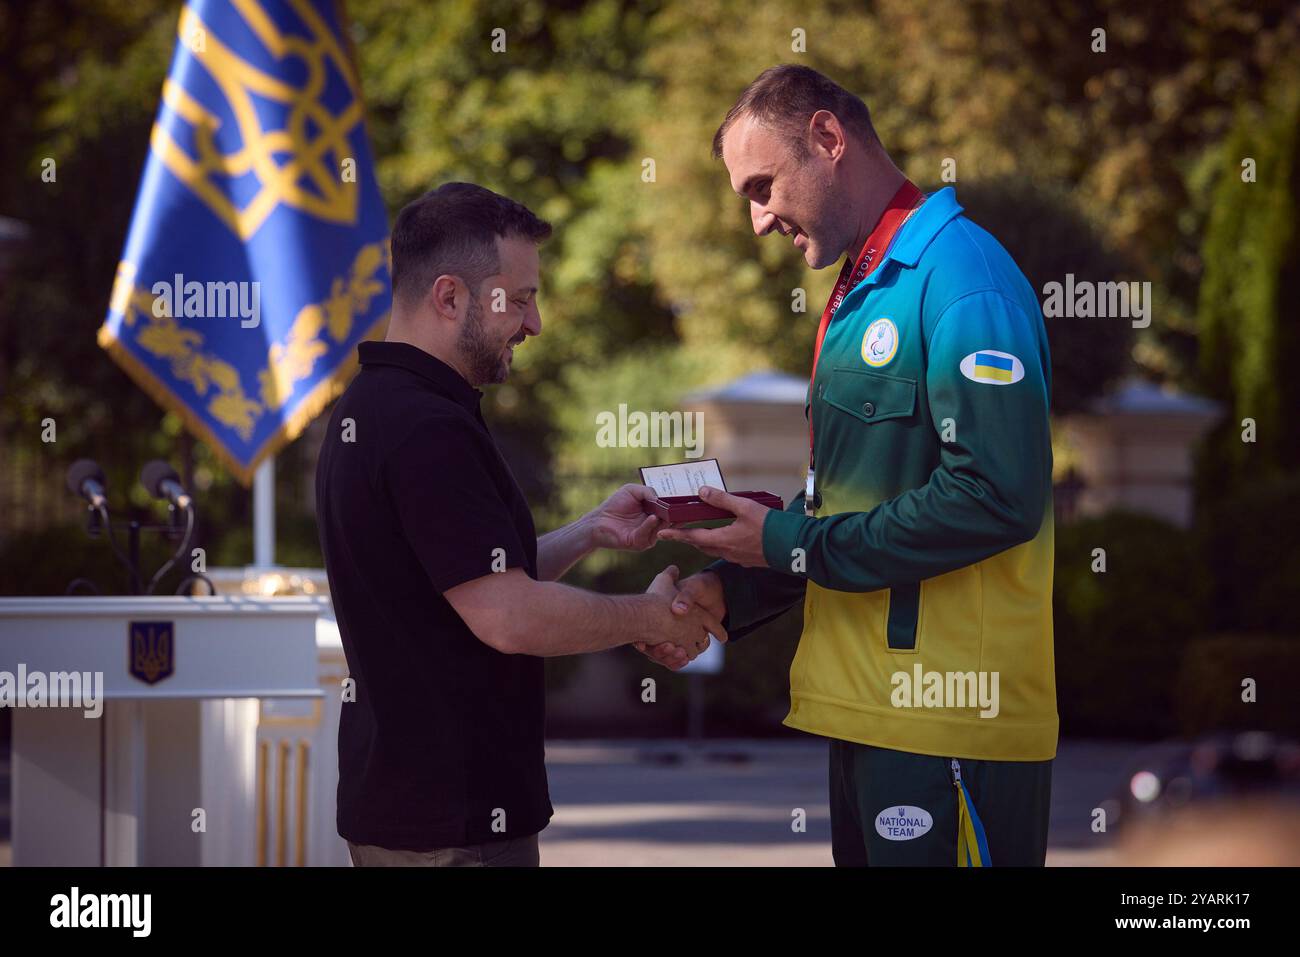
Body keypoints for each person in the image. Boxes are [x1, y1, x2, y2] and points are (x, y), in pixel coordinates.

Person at [653, 65, 1057, 866]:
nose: (759, 221)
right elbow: (851, 511)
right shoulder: (863, 290)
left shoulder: (962, 279)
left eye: (762, 186)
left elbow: (996, 497)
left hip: (950, 726)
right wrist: (729, 585)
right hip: (867, 715)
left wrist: (784, 542)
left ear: (828, 139)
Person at [316, 182, 720, 867]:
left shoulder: (389, 405)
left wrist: (591, 530)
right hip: (448, 827)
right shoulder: (422, 425)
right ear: (449, 297)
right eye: (521, 298)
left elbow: (469, 580)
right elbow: (508, 617)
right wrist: (652, 619)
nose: (534, 324)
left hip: (429, 812)